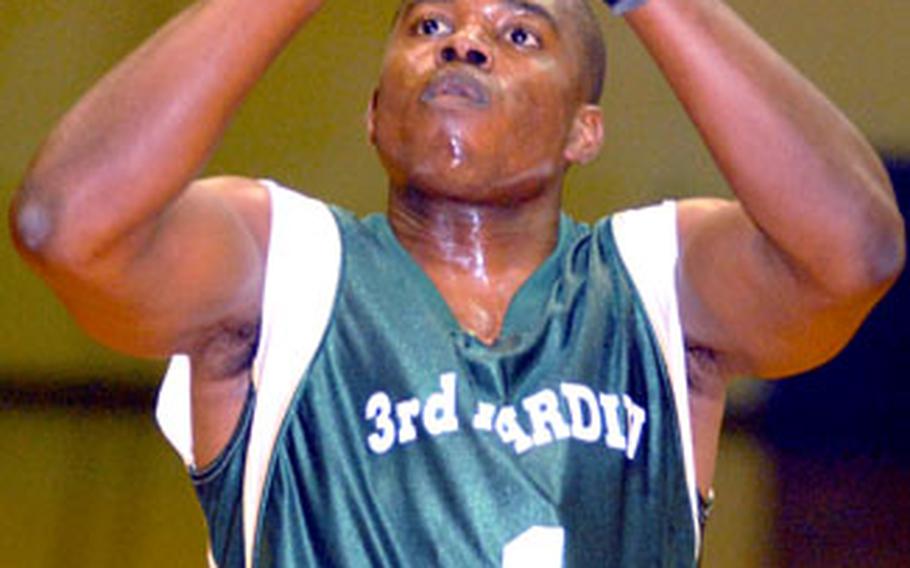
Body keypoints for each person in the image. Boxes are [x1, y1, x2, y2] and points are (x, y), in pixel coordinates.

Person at [8, 0, 904, 565]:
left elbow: (855, 253)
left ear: (583, 132)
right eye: (430, 26)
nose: (466, 44)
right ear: (372, 114)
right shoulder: (286, 264)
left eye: (520, 34)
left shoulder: (653, 281)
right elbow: (66, 225)